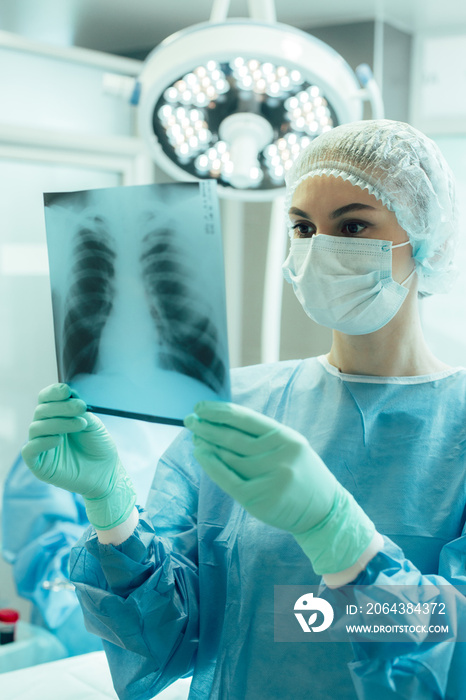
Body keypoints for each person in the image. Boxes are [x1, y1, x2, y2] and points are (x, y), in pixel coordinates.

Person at [19, 120, 466, 700]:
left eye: (352, 225)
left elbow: (451, 654)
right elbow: (167, 638)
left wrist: (338, 536)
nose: (318, 249)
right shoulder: (237, 409)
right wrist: (112, 511)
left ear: (426, 240)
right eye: (302, 227)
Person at [2, 415, 181, 657]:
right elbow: (39, 541)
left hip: (174, 629)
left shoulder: (188, 429)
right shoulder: (73, 427)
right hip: (74, 626)